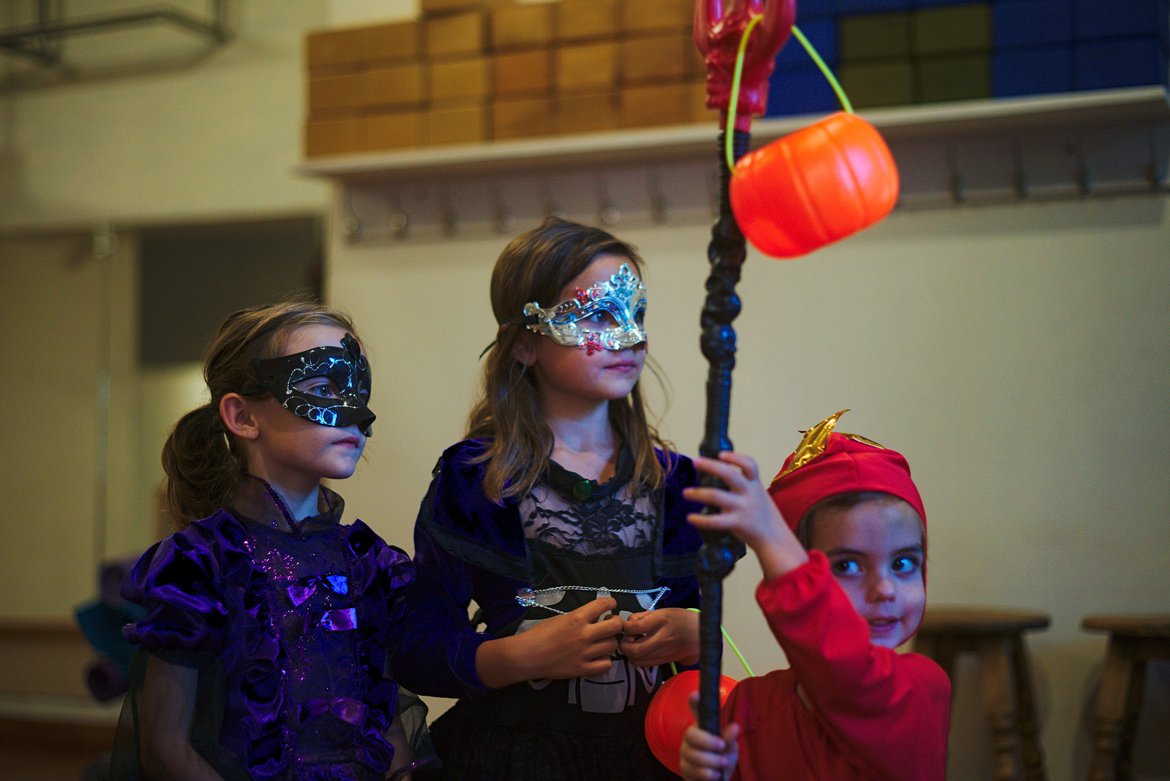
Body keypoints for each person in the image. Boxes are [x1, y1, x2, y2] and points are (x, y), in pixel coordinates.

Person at [390, 217, 708, 780]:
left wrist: (697, 634)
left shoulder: (678, 485)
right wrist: (518, 656)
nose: (630, 336)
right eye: (598, 315)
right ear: (523, 344)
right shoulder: (474, 480)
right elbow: (416, 646)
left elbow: (713, 643)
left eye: (636, 314)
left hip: (649, 760)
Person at [110, 300, 418, 781]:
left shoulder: (368, 562)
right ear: (243, 416)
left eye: (359, 390)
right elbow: (164, 746)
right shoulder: (200, 564)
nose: (358, 414)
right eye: (322, 387)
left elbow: (386, 720)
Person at [679, 410, 950, 781]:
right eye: (847, 567)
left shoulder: (921, 689)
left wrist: (770, 535)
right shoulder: (746, 708)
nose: (884, 589)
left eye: (903, 563)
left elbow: (849, 677)